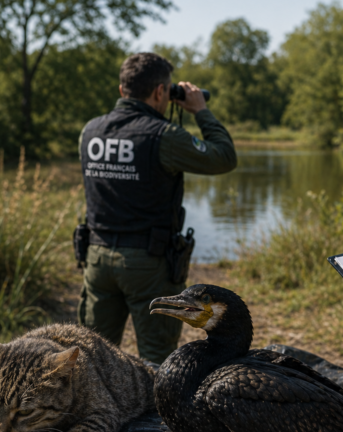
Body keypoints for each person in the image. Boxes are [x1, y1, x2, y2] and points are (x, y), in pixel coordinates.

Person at [77, 53, 237, 365]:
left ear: (122, 90)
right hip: (148, 263)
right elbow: (224, 157)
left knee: (92, 359)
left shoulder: (91, 130)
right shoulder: (164, 136)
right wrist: (200, 111)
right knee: (157, 361)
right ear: (161, 91)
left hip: (96, 258)